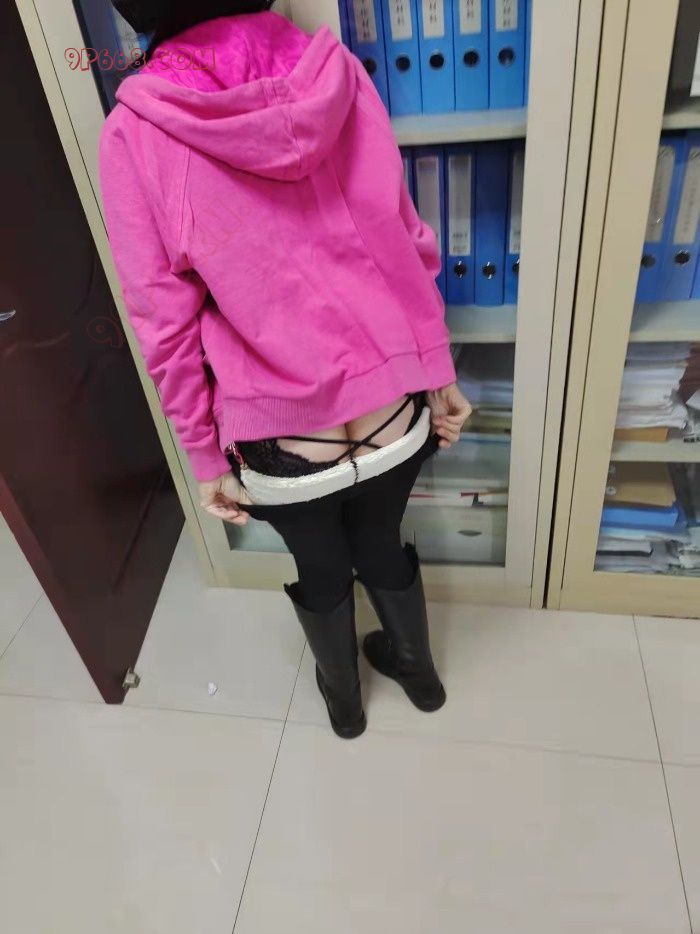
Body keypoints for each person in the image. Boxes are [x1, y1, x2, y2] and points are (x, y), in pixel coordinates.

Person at [100, 0, 471, 739]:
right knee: (381, 538)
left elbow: (162, 322)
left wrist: (204, 456)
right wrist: (437, 368)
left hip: (284, 440)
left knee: (321, 565)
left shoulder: (136, 131)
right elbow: (401, 232)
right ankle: (419, 674)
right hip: (394, 411)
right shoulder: (336, 72)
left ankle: (345, 704)